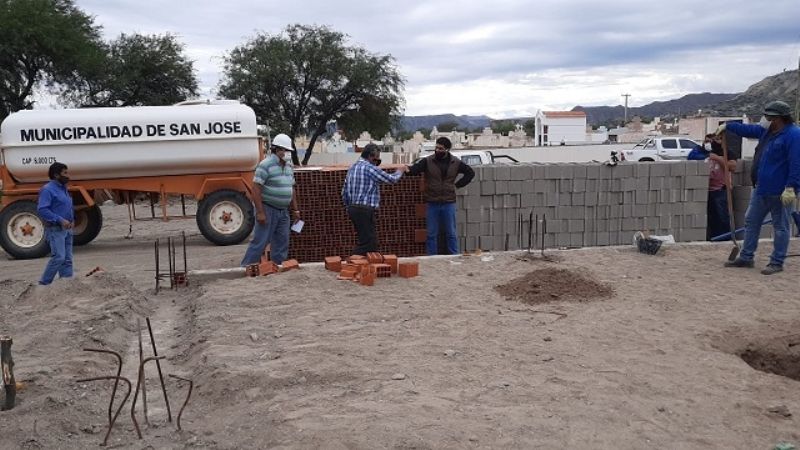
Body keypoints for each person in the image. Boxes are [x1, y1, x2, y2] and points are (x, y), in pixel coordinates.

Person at [718, 100, 800, 275]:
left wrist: (791, 187)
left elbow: (796, 164)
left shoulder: (794, 135)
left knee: (781, 227)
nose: (765, 119)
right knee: (751, 221)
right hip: (761, 189)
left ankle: (777, 262)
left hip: (781, 191)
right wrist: (728, 126)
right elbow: (749, 130)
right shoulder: (768, 132)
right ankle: (746, 257)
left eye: (768, 117)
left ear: (778, 119)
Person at [407, 137, 475, 255]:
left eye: (441, 148)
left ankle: (454, 255)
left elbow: (470, 173)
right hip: (432, 202)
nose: (437, 150)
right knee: (431, 234)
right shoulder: (428, 161)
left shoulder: (455, 162)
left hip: (449, 202)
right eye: (436, 147)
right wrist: (405, 170)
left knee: (451, 233)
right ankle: (431, 257)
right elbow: (414, 170)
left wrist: (457, 185)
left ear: (447, 150)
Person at [240, 133, 300, 267]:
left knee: (282, 241)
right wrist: (260, 212)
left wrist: (295, 209)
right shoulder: (265, 165)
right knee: (260, 240)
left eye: (289, 151)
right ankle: (247, 267)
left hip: (283, 211)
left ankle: (277, 266)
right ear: (278, 150)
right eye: (286, 150)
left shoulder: (289, 167)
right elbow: (256, 189)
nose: (288, 153)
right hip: (268, 209)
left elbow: (291, 188)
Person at [342, 143, 407, 255]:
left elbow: (344, 192)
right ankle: (353, 263)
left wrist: (349, 207)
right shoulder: (370, 168)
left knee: (364, 239)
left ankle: (362, 266)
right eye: (377, 159)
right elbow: (391, 179)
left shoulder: (352, 168)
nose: (377, 162)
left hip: (353, 208)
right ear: (371, 156)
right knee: (368, 243)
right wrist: (400, 170)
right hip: (365, 209)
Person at [687, 134, 738, 240]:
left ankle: (724, 240)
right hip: (707, 191)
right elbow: (691, 156)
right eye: (707, 141)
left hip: (721, 191)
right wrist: (706, 153)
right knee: (711, 219)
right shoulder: (704, 152)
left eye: (716, 140)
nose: (710, 143)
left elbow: (733, 167)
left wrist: (718, 159)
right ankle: (714, 239)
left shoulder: (727, 152)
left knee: (722, 219)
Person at [37, 162, 74, 285]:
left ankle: (66, 283)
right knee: (59, 257)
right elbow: (42, 209)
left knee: (67, 259)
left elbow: (66, 205)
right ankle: (44, 284)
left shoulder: (64, 188)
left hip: (67, 229)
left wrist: (71, 220)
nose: (67, 176)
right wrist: (60, 220)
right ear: (56, 175)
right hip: (55, 229)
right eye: (65, 173)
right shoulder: (47, 190)